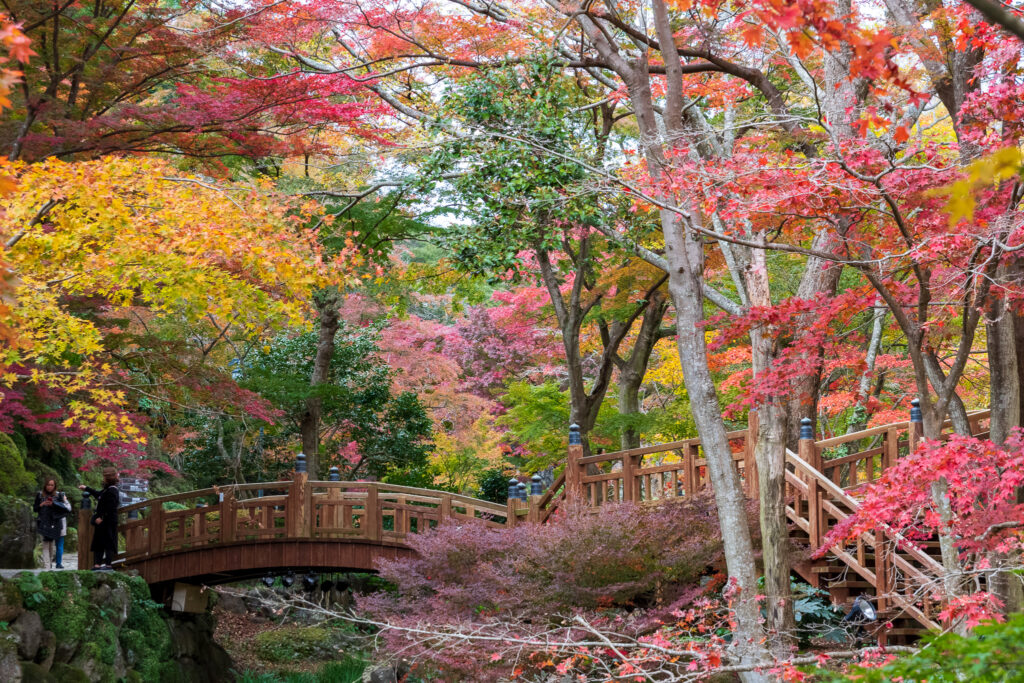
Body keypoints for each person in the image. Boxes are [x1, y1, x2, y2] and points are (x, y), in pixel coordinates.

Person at [79, 468, 120, 570]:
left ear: (107, 478)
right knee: (99, 542)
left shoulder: (112, 491)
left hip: (108, 521)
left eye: (104, 477)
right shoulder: (107, 490)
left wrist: (102, 517)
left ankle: (108, 564)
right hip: (102, 521)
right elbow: (98, 494)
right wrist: (87, 488)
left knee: (109, 543)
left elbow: (111, 507)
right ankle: (97, 564)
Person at [34, 478, 70, 569]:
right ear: (45, 485)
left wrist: (53, 504)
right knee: (46, 543)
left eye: (52, 485)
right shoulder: (39, 495)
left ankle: (49, 564)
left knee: (51, 544)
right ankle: (47, 565)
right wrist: (42, 505)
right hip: (43, 521)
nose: (49, 487)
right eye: (48, 484)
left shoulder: (58, 495)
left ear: (55, 486)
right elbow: (35, 508)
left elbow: (65, 509)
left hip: (55, 522)